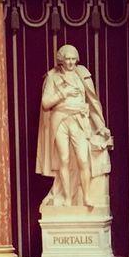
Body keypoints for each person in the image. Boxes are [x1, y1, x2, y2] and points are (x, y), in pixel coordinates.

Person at [36, 43, 113, 211]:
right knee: (63, 159)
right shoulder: (53, 77)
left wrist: (100, 126)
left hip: (79, 120)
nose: (70, 62)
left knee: (83, 159)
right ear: (61, 60)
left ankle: (86, 196)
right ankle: (67, 198)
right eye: (67, 59)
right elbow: (45, 103)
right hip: (60, 121)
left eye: (73, 59)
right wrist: (63, 94)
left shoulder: (82, 75)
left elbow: (92, 104)